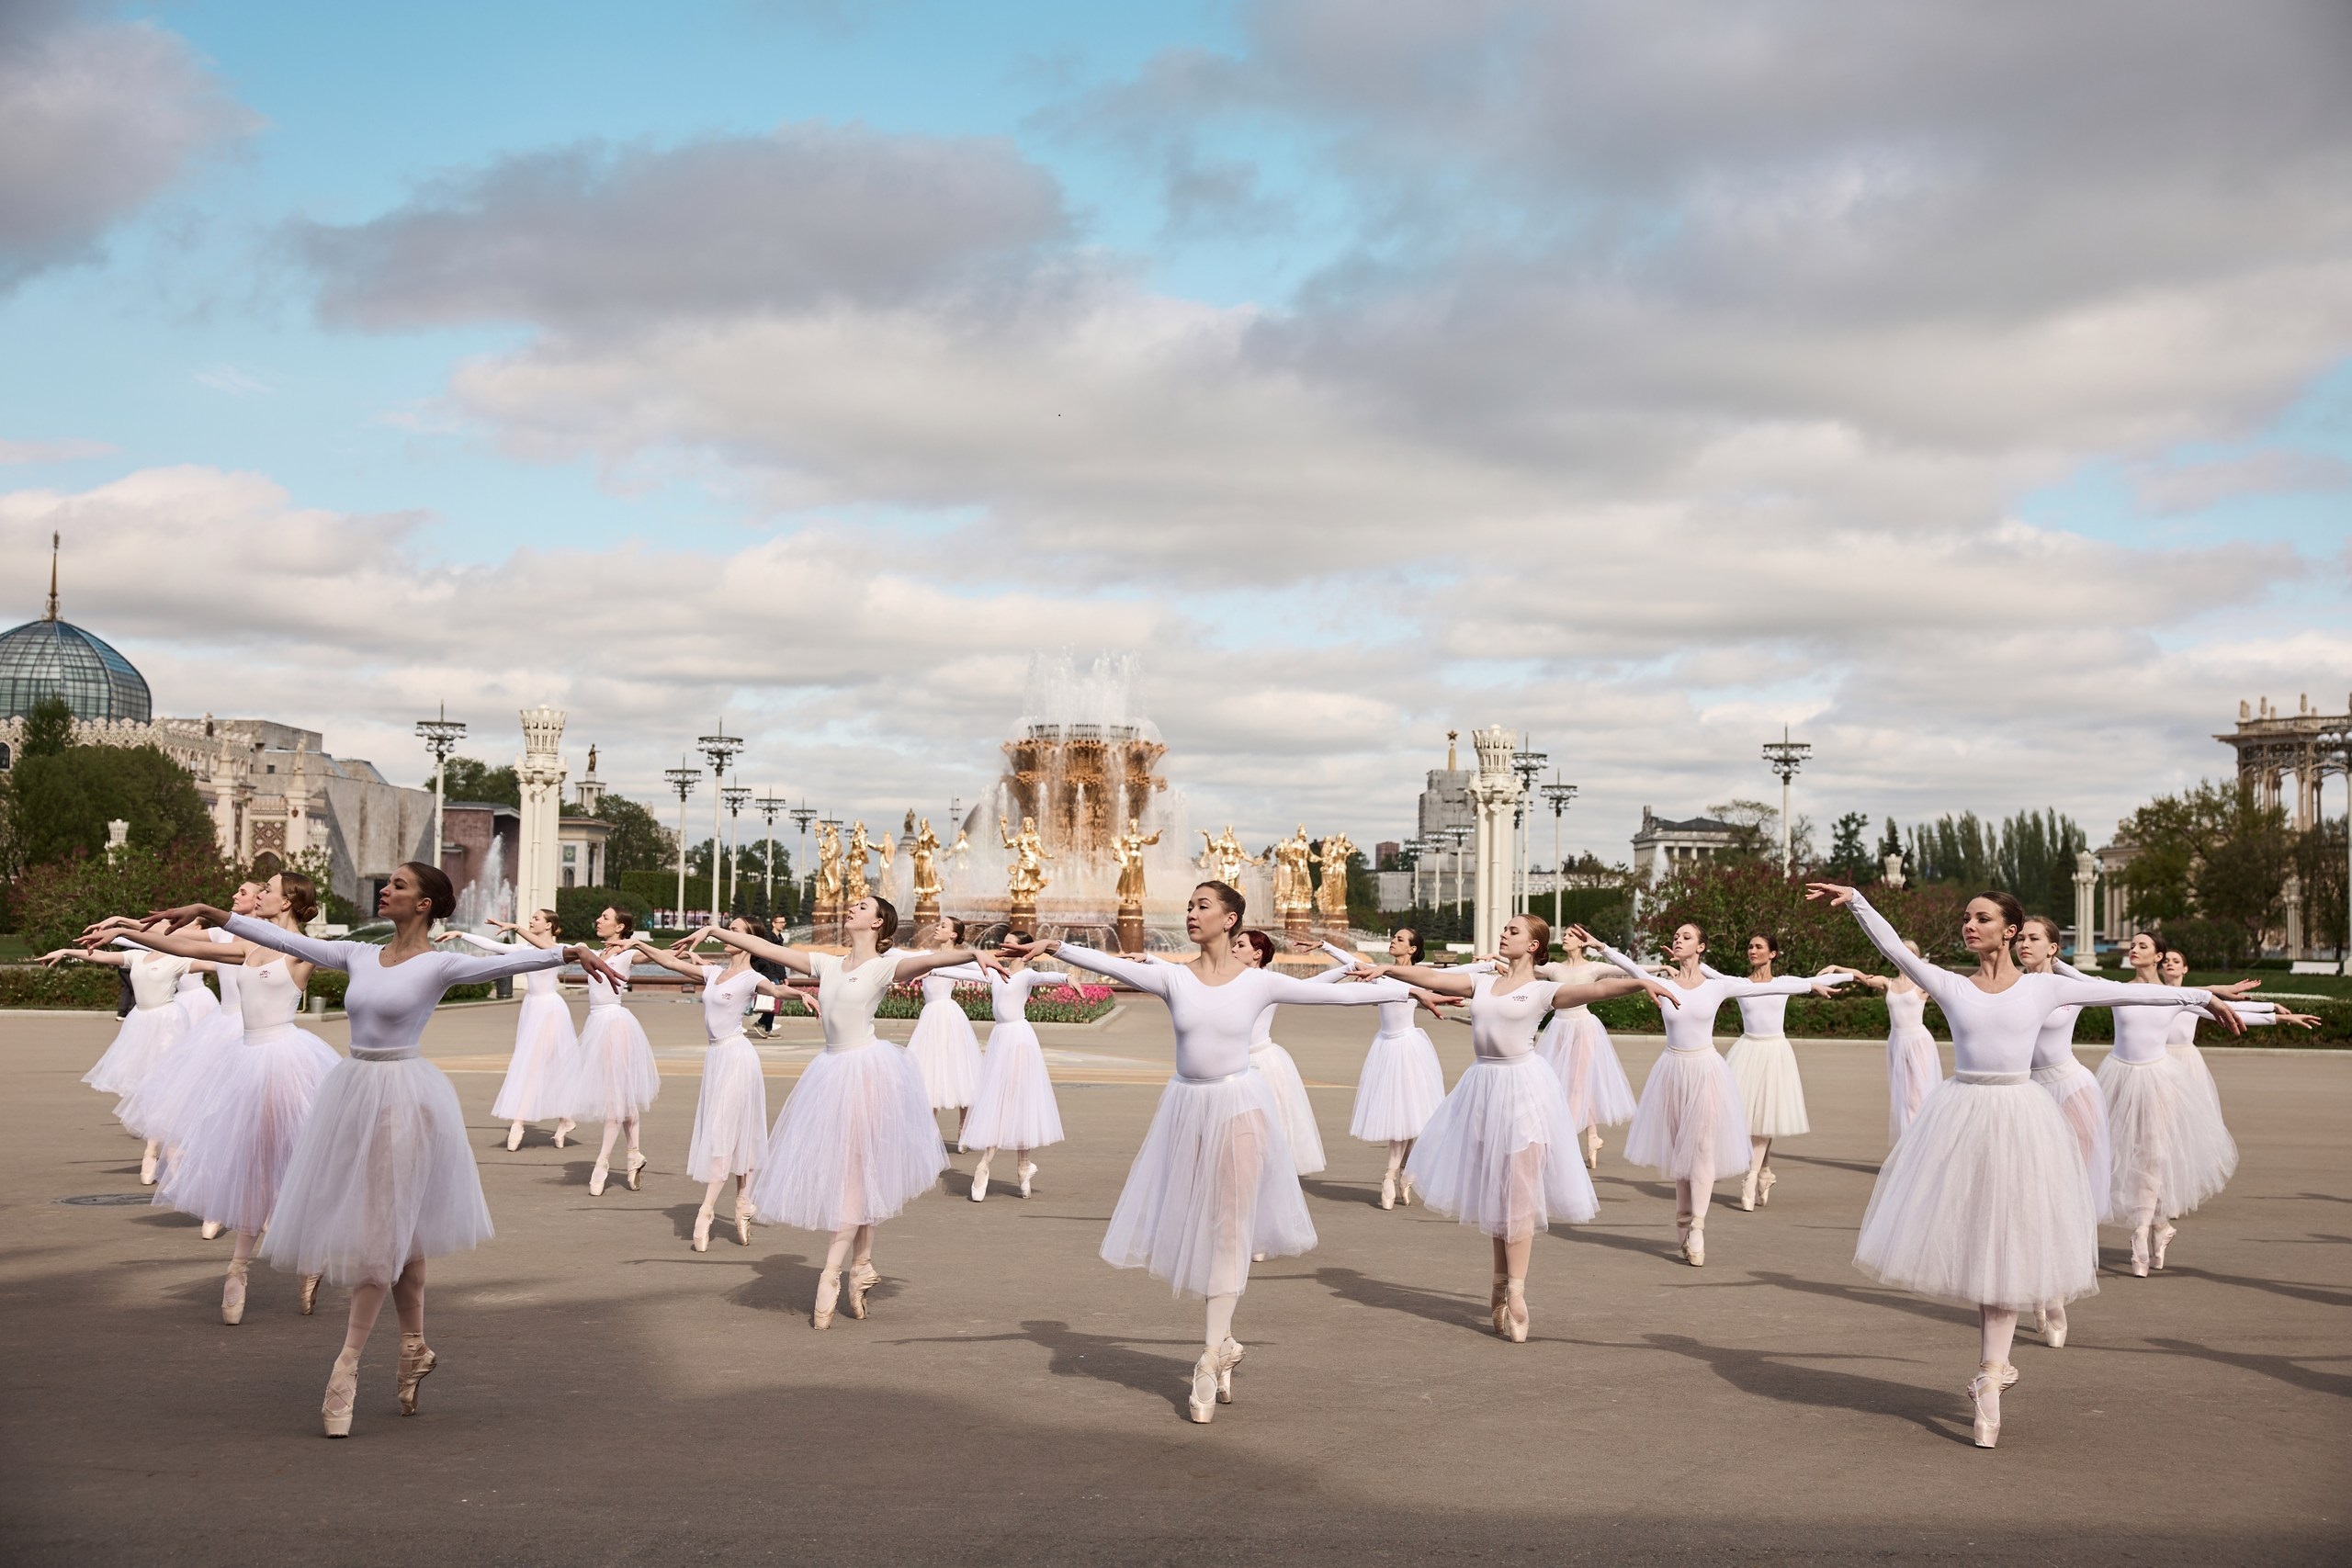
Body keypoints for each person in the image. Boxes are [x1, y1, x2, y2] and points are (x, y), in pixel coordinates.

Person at [139, 863, 624, 1437]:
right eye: (387, 883)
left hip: (405, 1100)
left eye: (398, 885)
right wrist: (210, 912)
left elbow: (507, 961)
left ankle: (346, 1365)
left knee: (379, 1236)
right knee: (401, 1235)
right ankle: (414, 1346)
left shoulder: (439, 963)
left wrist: (569, 952)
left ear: (424, 905)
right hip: (353, 1094)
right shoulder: (358, 956)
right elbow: (282, 938)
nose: (385, 890)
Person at [1804, 881, 2241, 1449]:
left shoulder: (2044, 989)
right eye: (1966, 917)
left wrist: (2201, 997)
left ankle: (1990, 1376)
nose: (1969, 925)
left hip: (2021, 1118)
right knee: (1985, 1241)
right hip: (1963, 1117)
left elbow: (2127, 995)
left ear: (2009, 930)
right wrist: (1860, 900)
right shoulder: (1951, 984)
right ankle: (1991, 1373)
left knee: (2010, 1242)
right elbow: (1896, 951)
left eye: (1981, 918)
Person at [1001, 882, 1411, 1425]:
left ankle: (1210, 1353)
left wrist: (1407, 984)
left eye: (1202, 907)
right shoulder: (1173, 976)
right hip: (1187, 1109)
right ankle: (1226, 1343)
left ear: (1231, 919)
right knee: (1197, 1225)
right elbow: (1110, 965)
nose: (1191, 914)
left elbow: (1338, 994)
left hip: (1240, 1107)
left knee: (1229, 1227)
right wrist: (1053, 948)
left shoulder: (1258, 982)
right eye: (1189, 906)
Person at [683, 897, 1003, 1327]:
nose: (852, 907)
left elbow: (930, 962)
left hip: (868, 1073)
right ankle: (863, 1265)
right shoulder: (825, 964)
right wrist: (714, 932)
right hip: (830, 1072)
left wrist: (973, 951)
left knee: (856, 1173)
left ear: (879, 923)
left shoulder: (886, 965)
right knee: (856, 1173)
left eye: (863, 906)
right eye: (853, 903)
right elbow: (769, 951)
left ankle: (831, 1272)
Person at [1355, 914, 1677, 1341]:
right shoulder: (1482, 981)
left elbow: (1597, 989)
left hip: (1524, 1090)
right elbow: (1433, 976)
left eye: (1514, 931)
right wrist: (1389, 968)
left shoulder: (1543, 989)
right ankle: (1498, 1284)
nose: (1504, 934)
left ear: (1533, 946)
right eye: (1505, 929)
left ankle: (1518, 1292)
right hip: (1482, 1089)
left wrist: (1640, 982)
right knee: (1496, 1191)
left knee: (1520, 1192)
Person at [95, 873, 338, 1323]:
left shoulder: (305, 951)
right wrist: (124, 932)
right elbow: (185, 948)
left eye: (268, 889)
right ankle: (240, 1269)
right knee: (253, 1163)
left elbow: (356, 961)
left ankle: (308, 1258)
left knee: (288, 1161)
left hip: (286, 1062)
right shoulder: (249, 945)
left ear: (288, 901)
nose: (260, 894)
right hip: (246, 1060)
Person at [1574, 922, 1839, 1265]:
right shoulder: (1662, 984)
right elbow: (1630, 967)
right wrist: (1599, 945)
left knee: (1701, 1148)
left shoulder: (1718, 987)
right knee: (1679, 1154)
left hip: (1706, 1072)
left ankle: (1697, 1226)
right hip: (1671, 1072)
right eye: (1676, 937)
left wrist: (1814, 984)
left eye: (1686, 937)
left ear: (1701, 947)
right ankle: (1683, 1221)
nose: (1678, 940)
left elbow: (1773, 987)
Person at [627, 919, 794, 1249]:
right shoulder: (715, 972)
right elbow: (670, 962)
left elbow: (776, 990)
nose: (726, 933)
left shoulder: (752, 977)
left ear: (749, 941)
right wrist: (636, 945)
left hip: (737, 1058)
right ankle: (743, 1202)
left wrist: (801, 995)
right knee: (731, 1131)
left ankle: (706, 1211)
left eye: (735, 929)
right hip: (716, 1059)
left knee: (725, 1131)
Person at [46, 929, 218, 1183]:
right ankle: (155, 1149)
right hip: (140, 1023)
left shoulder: (179, 959)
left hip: (168, 1023)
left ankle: (162, 1150)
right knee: (146, 1087)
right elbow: (101, 956)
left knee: (165, 1087)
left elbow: (221, 963)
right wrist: (66, 951)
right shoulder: (137, 956)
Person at [1313, 930, 1449, 1208]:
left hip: (1410, 1046)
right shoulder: (1381, 973)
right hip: (1387, 1047)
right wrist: (1326, 945)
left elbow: (1463, 973)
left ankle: (1401, 1174)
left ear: (1412, 949)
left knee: (1413, 1118)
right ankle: (1394, 1175)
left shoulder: (1419, 976)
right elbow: (1352, 962)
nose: (1394, 942)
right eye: (1394, 938)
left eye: (1400, 939)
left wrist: (1491, 966)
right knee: (1402, 1117)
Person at [943, 938, 1069, 1201]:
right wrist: (931, 969)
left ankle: (1004, 1166)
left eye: (1011, 943)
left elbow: (1050, 977)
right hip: (1001, 1040)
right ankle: (1006, 1167)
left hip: (1019, 1041)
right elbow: (961, 971)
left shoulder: (1026, 975)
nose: (1004, 946)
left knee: (1014, 1100)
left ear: (1025, 950)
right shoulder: (997, 974)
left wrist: (1067, 977)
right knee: (1005, 1100)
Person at [447, 911, 582, 1151]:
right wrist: (461, 934)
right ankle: (565, 1118)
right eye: (531, 918)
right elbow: (492, 945)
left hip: (551, 1010)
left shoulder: (563, 948)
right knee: (542, 1064)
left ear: (550, 925)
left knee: (535, 1064)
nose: (532, 920)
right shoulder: (525, 951)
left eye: (537, 918)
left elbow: (563, 952)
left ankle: (518, 1122)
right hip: (532, 1008)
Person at [563, 906, 660, 1195]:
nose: (598, 919)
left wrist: (638, 943)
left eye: (605, 917)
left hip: (615, 1026)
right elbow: (551, 947)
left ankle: (602, 1162)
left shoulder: (626, 954)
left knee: (615, 1099)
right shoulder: (593, 952)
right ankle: (634, 1155)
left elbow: (662, 957)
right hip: (596, 1025)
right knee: (621, 1096)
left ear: (620, 927)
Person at [1531, 942, 1639, 1169]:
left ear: (1581, 943)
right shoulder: (1554, 968)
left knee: (1579, 1084)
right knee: (1561, 1083)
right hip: (1559, 1027)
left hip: (1583, 1027)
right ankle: (1592, 1138)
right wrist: (1491, 961)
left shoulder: (1593, 968)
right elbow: (1521, 968)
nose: (1566, 938)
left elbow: (1631, 970)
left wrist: (1663, 970)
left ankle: (1562, 1138)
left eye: (1571, 934)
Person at [1826, 944, 1943, 1144]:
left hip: (1918, 1042)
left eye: (1908, 954)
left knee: (1919, 1095)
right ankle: (1908, 1145)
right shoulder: (1888, 983)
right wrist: (1837, 967)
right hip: (1897, 1042)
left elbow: (1946, 977)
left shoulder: (1922, 985)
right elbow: (1861, 977)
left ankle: (1923, 1144)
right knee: (1903, 1098)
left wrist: (1923, 967)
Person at [904, 917, 984, 1140]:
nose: (937, 928)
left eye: (943, 926)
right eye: (938, 924)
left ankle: (964, 1127)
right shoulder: (927, 957)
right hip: (930, 1016)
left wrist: (935, 971)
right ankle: (929, 1129)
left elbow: (978, 970)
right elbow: (901, 958)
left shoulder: (957, 959)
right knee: (928, 1069)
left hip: (947, 1015)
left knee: (959, 1067)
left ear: (954, 935)